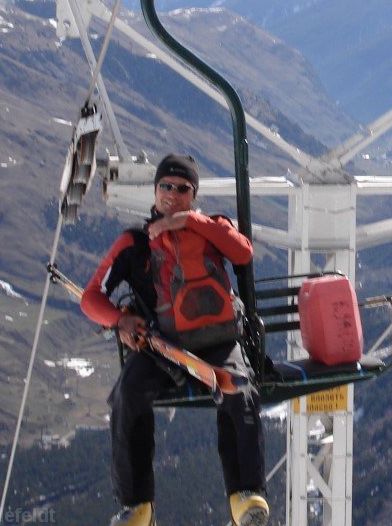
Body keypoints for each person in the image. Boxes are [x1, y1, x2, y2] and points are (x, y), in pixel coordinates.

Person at [81, 154, 269, 526]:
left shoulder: (212, 228)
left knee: (239, 392)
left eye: (181, 189)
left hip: (217, 340)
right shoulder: (133, 244)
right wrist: (120, 321)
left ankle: (246, 495)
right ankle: (138, 506)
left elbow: (243, 252)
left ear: (193, 195)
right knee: (128, 395)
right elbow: (92, 298)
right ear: (155, 189)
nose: (171, 194)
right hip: (160, 346)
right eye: (165, 186)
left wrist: (188, 222)